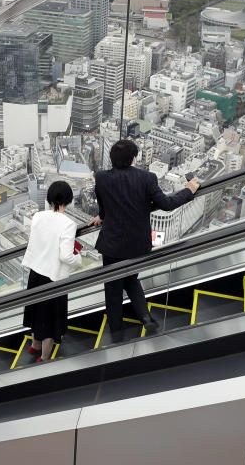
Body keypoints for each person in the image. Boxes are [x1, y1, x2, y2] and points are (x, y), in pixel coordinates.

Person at [89, 140, 200, 342]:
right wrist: (188, 190)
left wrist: (102, 216)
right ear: (134, 158)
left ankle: (117, 334)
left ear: (111, 159)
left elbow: (105, 206)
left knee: (113, 290)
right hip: (138, 244)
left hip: (112, 245)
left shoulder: (102, 178)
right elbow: (166, 204)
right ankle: (145, 316)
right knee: (130, 278)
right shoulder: (147, 178)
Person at [21, 180, 85, 362]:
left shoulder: (38, 216)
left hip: (35, 272)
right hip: (53, 277)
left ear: (49, 198)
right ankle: (44, 357)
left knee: (35, 311)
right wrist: (78, 259)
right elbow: (66, 256)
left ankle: (35, 346)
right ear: (69, 200)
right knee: (48, 319)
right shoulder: (68, 224)